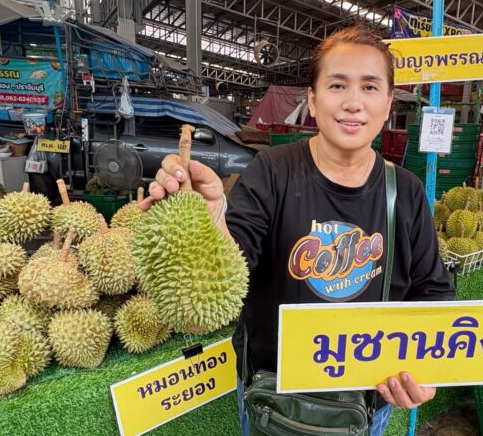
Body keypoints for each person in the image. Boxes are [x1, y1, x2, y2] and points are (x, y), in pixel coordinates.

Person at [141, 23, 455, 435]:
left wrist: (424, 369)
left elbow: (432, 292)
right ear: (312, 99)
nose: (353, 103)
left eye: (370, 87)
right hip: (272, 396)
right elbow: (229, 273)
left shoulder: (407, 191)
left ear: (389, 101)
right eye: (337, 85)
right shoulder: (272, 169)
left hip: (364, 402)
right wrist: (210, 217)